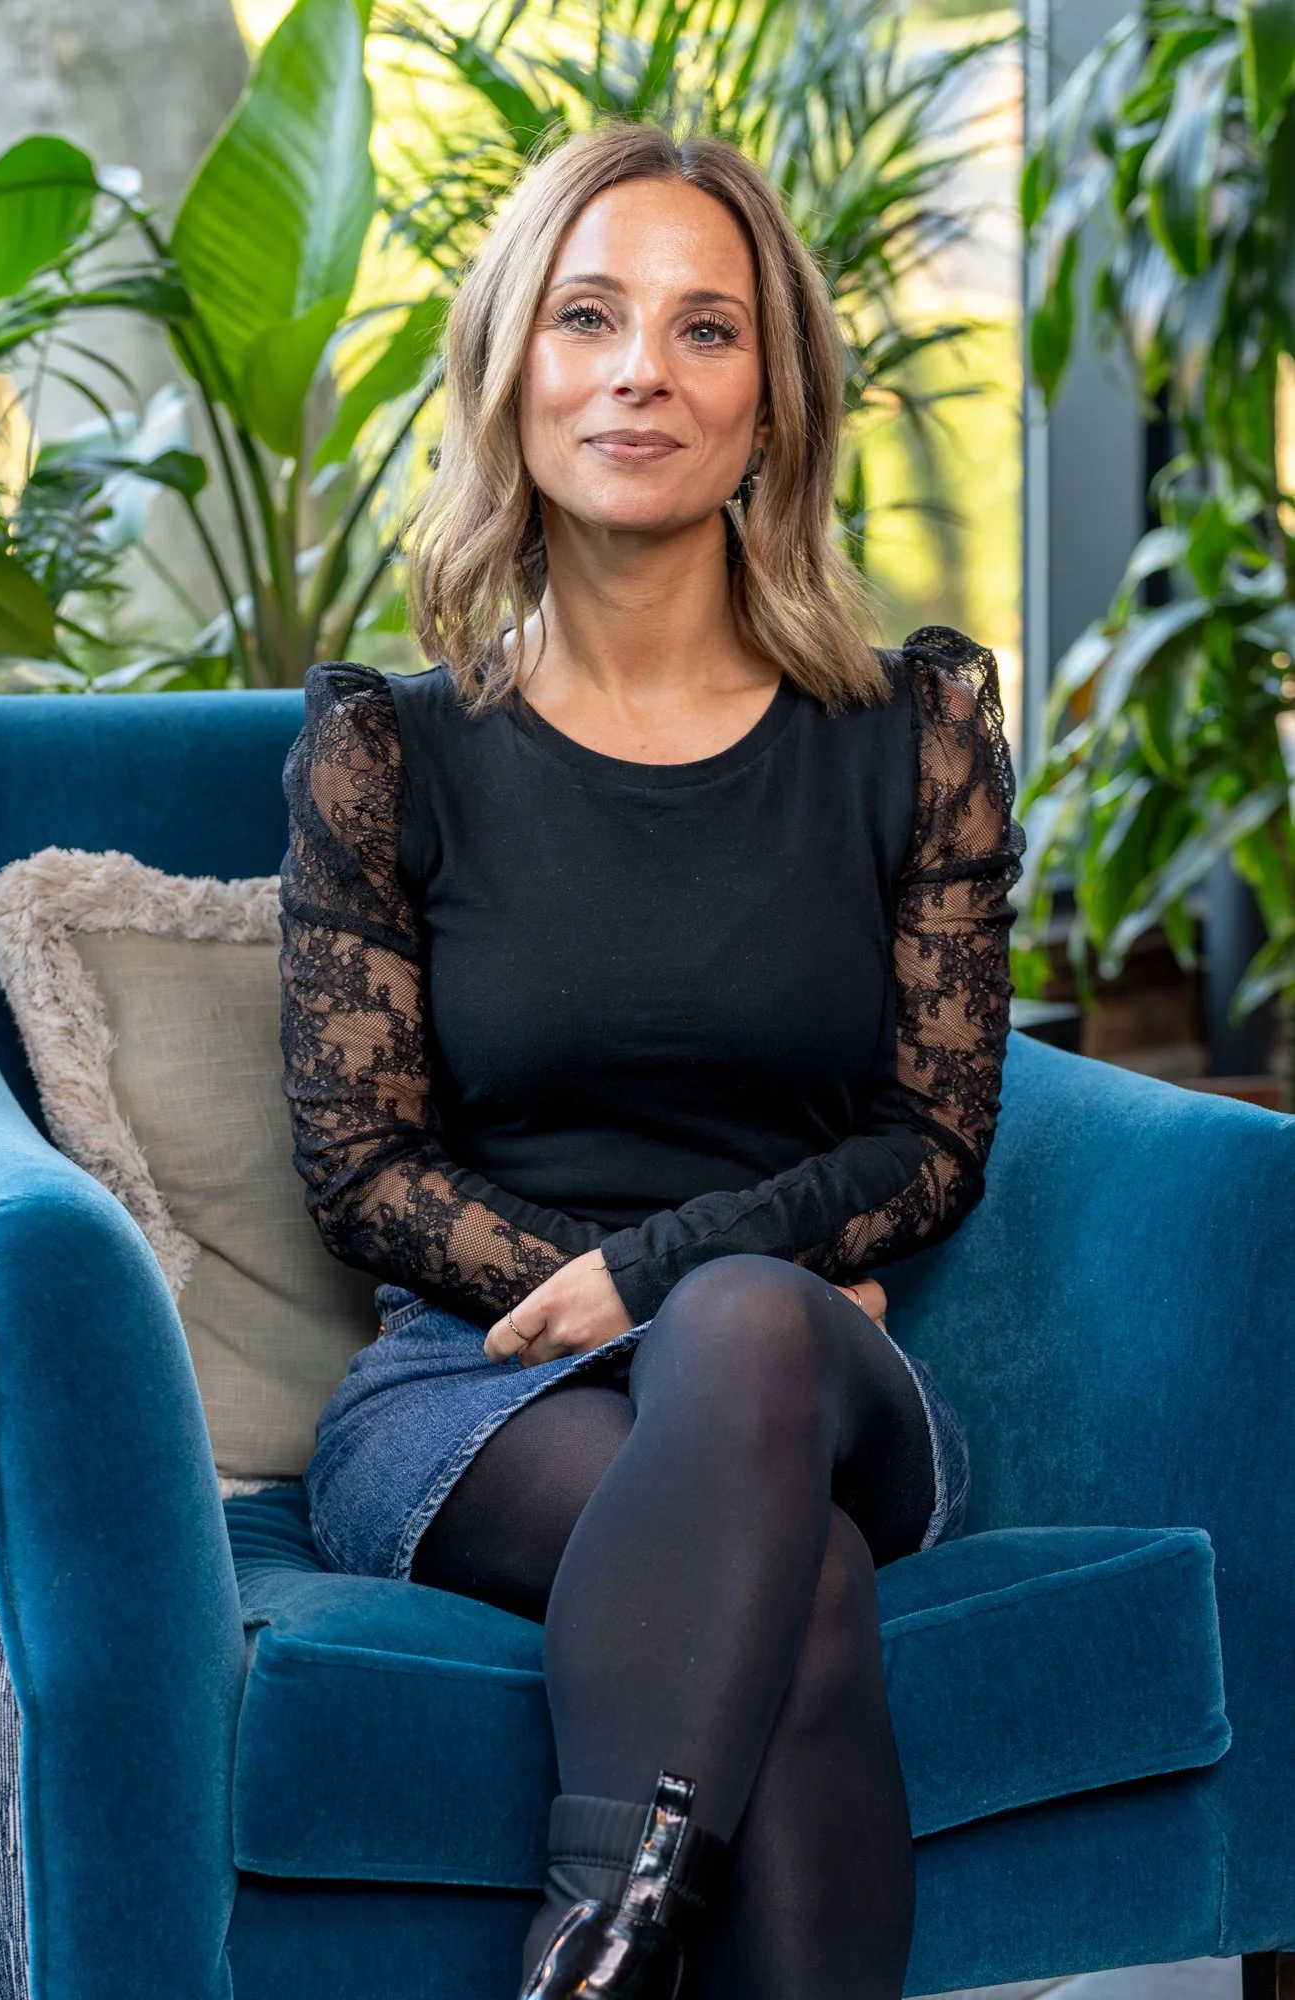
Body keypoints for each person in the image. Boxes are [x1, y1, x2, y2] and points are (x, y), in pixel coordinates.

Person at [278, 118, 1023, 2000]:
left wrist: (674, 1280)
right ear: (511, 368)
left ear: (771, 404)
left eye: (706, 329)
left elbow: (933, 1140)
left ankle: (587, 1949)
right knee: (805, 1577)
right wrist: (623, 1300)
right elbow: (360, 1168)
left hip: (816, 1371)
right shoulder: (390, 753)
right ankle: (613, 1935)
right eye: (589, 316)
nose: (640, 372)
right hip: (474, 1388)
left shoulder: (913, 733)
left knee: (751, 1327)